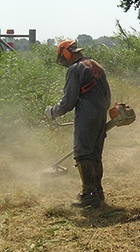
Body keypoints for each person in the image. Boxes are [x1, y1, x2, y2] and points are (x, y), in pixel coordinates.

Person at [44, 40, 111, 208]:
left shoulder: (75, 69)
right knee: (95, 154)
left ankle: (88, 194)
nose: (64, 62)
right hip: (101, 111)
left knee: (82, 153)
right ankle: (97, 192)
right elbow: (107, 92)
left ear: (66, 53)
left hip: (87, 114)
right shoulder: (95, 64)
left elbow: (68, 101)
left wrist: (53, 112)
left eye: (63, 57)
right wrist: (101, 112)